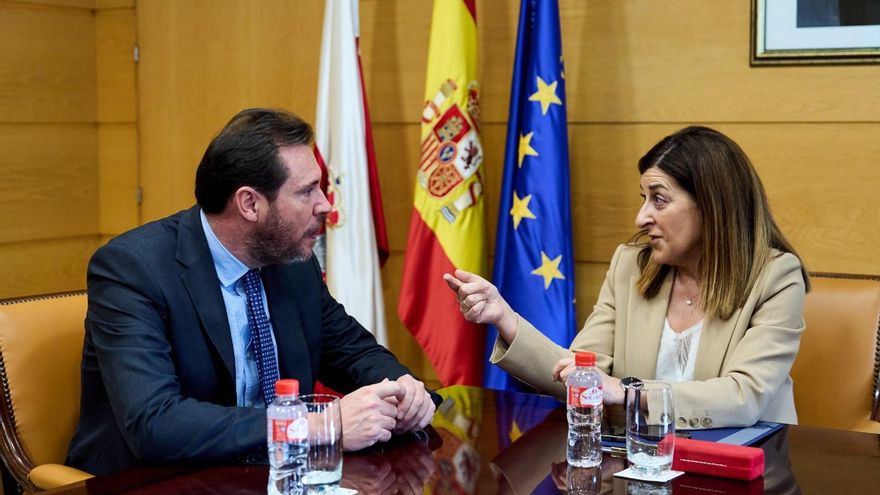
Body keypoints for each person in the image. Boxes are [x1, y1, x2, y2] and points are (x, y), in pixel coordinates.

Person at [67, 108, 436, 475]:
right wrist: (319, 424)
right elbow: (155, 423)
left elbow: (353, 351)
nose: (325, 204)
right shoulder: (133, 270)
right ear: (250, 204)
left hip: (267, 477)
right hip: (150, 481)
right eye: (307, 191)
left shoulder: (292, 262)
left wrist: (403, 389)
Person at [445, 126, 809, 429]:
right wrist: (505, 319)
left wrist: (627, 391)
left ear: (712, 206)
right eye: (643, 198)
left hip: (748, 467)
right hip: (641, 462)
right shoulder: (630, 265)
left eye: (659, 200)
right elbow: (582, 372)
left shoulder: (776, 278)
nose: (642, 217)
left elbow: (743, 396)